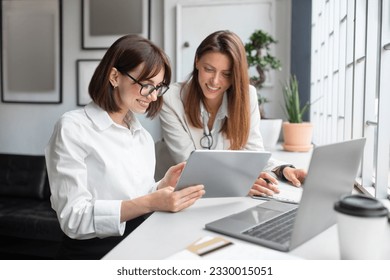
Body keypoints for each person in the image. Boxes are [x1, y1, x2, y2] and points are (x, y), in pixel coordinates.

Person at [45, 34, 205, 259]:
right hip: (92, 254)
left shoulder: (142, 137)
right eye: (146, 85)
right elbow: (74, 219)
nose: (153, 96)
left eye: (159, 87)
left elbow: (136, 198)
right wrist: (151, 201)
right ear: (114, 76)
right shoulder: (72, 128)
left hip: (139, 245)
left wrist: (160, 187)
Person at [159, 30, 307, 196]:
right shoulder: (170, 98)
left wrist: (283, 169)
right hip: (177, 194)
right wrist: (241, 182)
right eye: (209, 69)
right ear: (197, 61)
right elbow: (189, 164)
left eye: (226, 74)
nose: (215, 81)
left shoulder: (247, 95)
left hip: (224, 195)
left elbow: (253, 153)